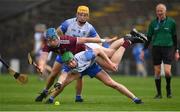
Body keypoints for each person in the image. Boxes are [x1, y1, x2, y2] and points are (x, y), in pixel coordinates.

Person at [35, 27, 147, 102]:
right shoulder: (58, 55)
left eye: (51, 40)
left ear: (56, 37)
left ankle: (127, 41)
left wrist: (102, 41)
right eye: (48, 41)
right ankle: (51, 99)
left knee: (112, 58)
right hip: (77, 65)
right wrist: (41, 67)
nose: (49, 43)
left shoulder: (69, 41)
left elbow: (86, 40)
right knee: (64, 82)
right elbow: (44, 59)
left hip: (89, 52)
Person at [36, 5, 102, 102]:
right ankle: (45, 91)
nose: (83, 16)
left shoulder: (90, 28)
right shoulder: (68, 23)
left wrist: (92, 48)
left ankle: (78, 97)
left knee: (80, 75)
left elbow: (98, 40)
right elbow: (57, 33)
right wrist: (63, 44)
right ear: (77, 14)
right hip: (64, 52)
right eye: (81, 14)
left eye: (85, 15)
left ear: (88, 16)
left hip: (78, 53)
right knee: (54, 73)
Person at [45, 48, 143, 104]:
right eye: (68, 63)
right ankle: (50, 99)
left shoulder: (85, 56)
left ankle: (135, 99)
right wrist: (58, 82)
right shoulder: (67, 66)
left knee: (112, 84)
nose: (70, 64)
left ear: (74, 58)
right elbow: (63, 75)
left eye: (71, 61)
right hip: (79, 71)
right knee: (64, 83)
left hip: (92, 67)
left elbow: (99, 51)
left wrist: (109, 62)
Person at [140, 3, 179, 99]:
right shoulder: (153, 23)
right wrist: (143, 50)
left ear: (165, 11)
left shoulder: (172, 22)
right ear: (156, 12)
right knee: (157, 71)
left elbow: (175, 37)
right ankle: (159, 94)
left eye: (161, 10)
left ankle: (168, 89)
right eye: (158, 11)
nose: (159, 12)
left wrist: (177, 50)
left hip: (168, 48)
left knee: (167, 72)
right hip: (156, 48)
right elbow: (148, 38)